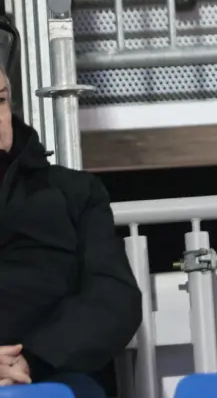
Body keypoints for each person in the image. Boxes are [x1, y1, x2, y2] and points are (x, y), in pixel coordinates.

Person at [0, 69, 142, 397]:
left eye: (0, 100)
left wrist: (31, 359)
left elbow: (114, 298)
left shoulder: (74, 192)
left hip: (51, 375)